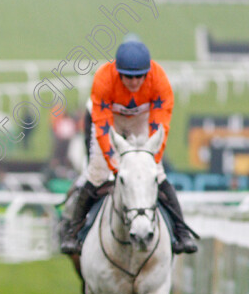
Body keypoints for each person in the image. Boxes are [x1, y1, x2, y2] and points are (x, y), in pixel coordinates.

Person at [59, 39, 197, 255]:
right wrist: (115, 167)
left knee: (156, 173)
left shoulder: (159, 80)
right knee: (96, 172)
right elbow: (103, 128)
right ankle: (72, 234)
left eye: (139, 77)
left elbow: (161, 126)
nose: (134, 82)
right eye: (128, 77)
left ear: (147, 73)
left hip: (142, 120)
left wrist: (150, 159)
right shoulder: (104, 79)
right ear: (118, 72)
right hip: (109, 119)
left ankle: (182, 233)